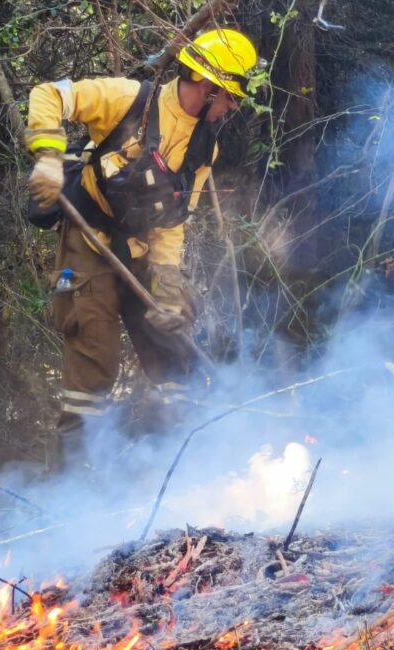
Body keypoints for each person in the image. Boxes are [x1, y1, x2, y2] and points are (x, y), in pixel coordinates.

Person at [25, 28, 258, 467]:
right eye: (229, 98)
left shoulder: (204, 148)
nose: (230, 109)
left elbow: (172, 225)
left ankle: (178, 468)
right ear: (208, 88)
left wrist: (168, 287)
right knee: (95, 363)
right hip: (88, 242)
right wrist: (48, 157)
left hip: (141, 254)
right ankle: (71, 491)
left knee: (173, 350)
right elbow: (50, 94)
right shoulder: (129, 100)